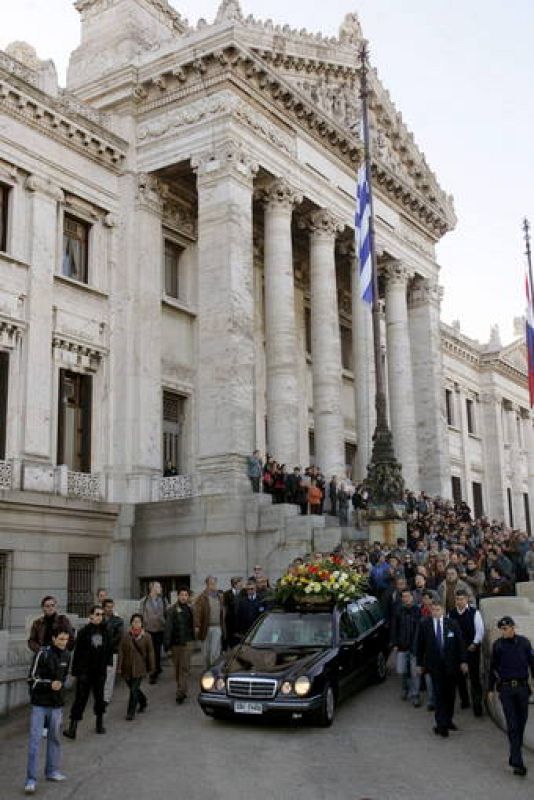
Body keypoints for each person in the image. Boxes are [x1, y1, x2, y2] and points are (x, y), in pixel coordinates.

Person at [24, 628, 71, 794]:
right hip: (40, 704)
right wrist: (49, 684)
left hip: (57, 705)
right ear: (53, 638)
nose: (63, 642)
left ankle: (52, 771)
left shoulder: (67, 655)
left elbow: (64, 677)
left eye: (66, 639)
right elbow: (31, 679)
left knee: (55, 739)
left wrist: (59, 687)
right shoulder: (42, 653)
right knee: (35, 742)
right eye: (60, 639)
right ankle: (30, 780)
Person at [488, 616, 534, 777]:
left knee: (520, 724)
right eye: (501, 629)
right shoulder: (498, 645)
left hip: (522, 689)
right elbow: (492, 668)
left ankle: (513, 756)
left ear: (513, 628)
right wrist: (490, 689)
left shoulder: (525, 643)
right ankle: (518, 763)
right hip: (506, 690)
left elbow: (532, 664)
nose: (504, 631)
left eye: (506, 628)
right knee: (513, 725)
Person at [416, 598, 468, 737]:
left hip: (451, 666)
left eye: (438, 610)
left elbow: (460, 644)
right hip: (435, 667)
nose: (435, 612)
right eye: (433, 610)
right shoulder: (425, 624)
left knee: (450, 695)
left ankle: (448, 720)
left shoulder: (452, 624)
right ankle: (441, 725)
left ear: (443, 611)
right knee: (439, 695)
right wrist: (419, 664)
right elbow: (420, 645)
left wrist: (463, 661)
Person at [63, 605, 113, 739]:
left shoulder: (106, 631)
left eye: (101, 614)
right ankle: (72, 728)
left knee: (99, 698)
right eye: (97, 614)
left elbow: (109, 650)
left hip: (100, 672)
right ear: (90, 616)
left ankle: (99, 724)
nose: (99, 617)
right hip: (85, 672)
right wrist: (77, 672)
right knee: (80, 699)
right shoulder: (84, 632)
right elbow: (78, 653)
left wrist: (108, 665)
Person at [448, 588, 484, 716]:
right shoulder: (451, 614)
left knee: (474, 678)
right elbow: (449, 631)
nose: (459, 601)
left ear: (467, 599)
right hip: (458, 651)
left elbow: (480, 630)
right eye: (457, 599)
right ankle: (465, 700)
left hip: (471, 649)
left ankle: (477, 705)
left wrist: (475, 643)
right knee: (460, 678)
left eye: (461, 599)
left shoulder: (475, 613)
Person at [117, 613, 155, 721]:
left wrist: (152, 667)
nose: (136, 624)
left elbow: (151, 652)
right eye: (134, 622)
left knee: (133, 690)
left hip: (140, 667)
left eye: (138, 622)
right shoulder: (126, 636)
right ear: (131, 623)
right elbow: (121, 651)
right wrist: (119, 666)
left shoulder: (146, 636)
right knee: (134, 688)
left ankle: (130, 712)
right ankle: (143, 701)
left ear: (142, 623)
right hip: (127, 667)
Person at [390, 588, 422, 707]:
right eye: (403, 597)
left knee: (415, 673)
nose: (406, 599)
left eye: (407, 596)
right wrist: (394, 644)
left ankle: (415, 695)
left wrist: (418, 645)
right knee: (402, 671)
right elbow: (394, 628)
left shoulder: (417, 611)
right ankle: (405, 689)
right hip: (402, 646)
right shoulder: (398, 611)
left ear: (412, 597)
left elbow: (419, 630)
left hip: (414, 647)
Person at [164, 587, 195, 704]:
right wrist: (167, 645)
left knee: (184, 668)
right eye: (181, 595)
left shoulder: (191, 609)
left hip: (188, 643)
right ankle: (183, 689)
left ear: (188, 597)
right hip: (176, 644)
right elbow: (168, 629)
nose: (184, 597)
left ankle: (180, 693)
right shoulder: (172, 610)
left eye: (186, 595)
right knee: (177, 670)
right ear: (178, 596)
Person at [194, 576, 224, 668]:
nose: (213, 585)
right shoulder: (202, 597)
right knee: (206, 653)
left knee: (215, 652)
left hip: (218, 627)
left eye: (215, 583)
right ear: (207, 584)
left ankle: (214, 672)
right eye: (211, 583)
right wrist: (197, 626)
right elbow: (197, 612)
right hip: (206, 628)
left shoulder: (220, 597)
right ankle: (207, 671)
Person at [140, 581, 167, 684]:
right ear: (152, 588)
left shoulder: (163, 600)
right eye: (158, 587)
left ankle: (157, 667)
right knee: (151, 652)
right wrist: (142, 628)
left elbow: (167, 613)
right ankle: (153, 673)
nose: (160, 588)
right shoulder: (144, 601)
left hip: (160, 630)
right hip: (148, 630)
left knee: (157, 651)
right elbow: (140, 614)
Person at [102, 598, 124, 707]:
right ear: (103, 608)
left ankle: (106, 698)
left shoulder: (118, 621)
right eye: (107, 607)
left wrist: (107, 644)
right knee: (101, 675)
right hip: (99, 652)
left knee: (110, 676)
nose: (110, 609)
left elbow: (119, 636)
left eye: (111, 607)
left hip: (112, 651)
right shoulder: (99, 619)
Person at [222, 577, 243, 649]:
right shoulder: (226, 594)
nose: (241, 584)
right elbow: (225, 608)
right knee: (231, 645)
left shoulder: (243, 593)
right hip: (230, 624)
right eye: (240, 582)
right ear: (235, 584)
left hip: (241, 624)